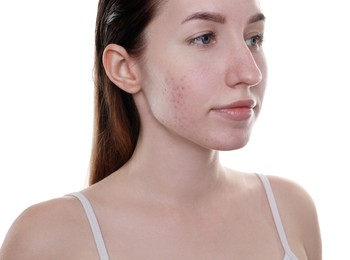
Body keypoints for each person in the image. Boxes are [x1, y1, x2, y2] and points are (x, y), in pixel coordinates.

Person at [0, 0, 322, 259]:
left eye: (253, 39)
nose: (249, 73)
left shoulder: (290, 211)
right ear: (124, 68)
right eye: (204, 38)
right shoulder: (48, 240)